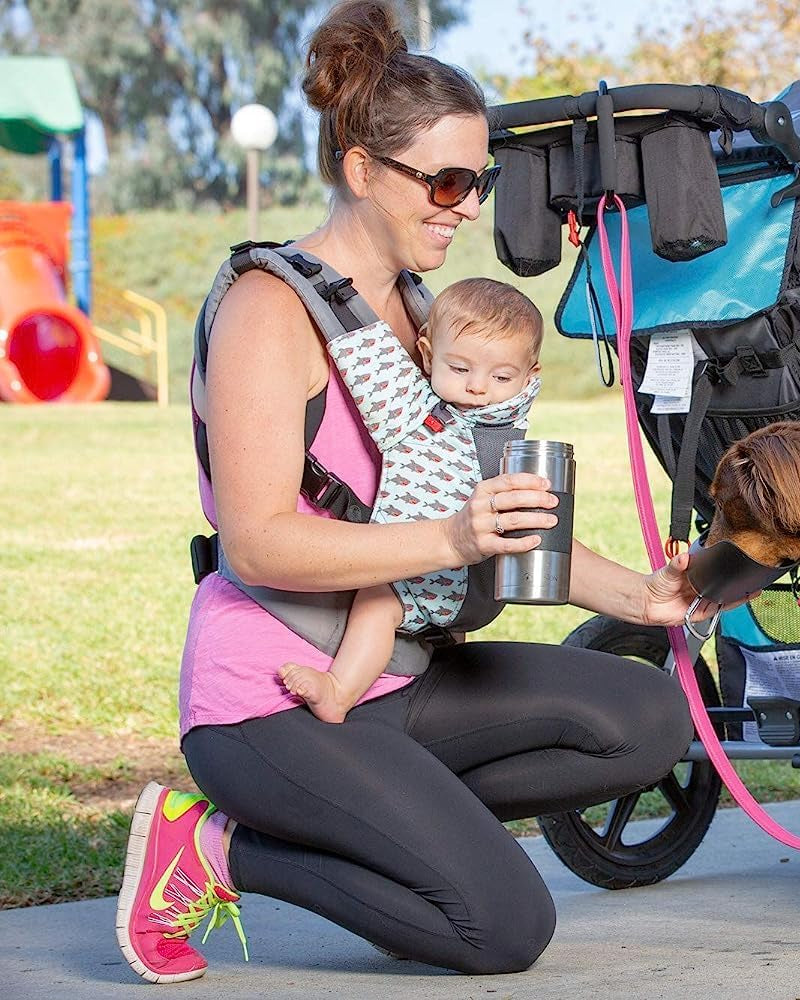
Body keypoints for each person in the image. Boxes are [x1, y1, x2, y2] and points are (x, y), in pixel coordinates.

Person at [115, 0, 710, 983]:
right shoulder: (274, 311)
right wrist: (449, 538)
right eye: (444, 180)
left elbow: (490, 522)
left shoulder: (430, 319)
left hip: (405, 671)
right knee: (502, 926)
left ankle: (390, 810)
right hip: (273, 698)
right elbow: (258, 544)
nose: (467, 204)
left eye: (479, 180)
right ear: (360, 170)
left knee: (648, 717)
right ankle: (218, 845)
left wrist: (646, 597)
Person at [278, 277, 545, 723]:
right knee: (377, 601)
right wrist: (319, 285)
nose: (479, 387)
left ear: (530, 376)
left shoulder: (500, 422)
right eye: (459, 369)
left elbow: (369, 357)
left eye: (501, 376)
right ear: (425, 354)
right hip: (419, 578)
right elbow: (366, 355)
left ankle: (342, 690)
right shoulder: (416, 413)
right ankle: (340, 691)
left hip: (466, 581)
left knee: (376, 599)